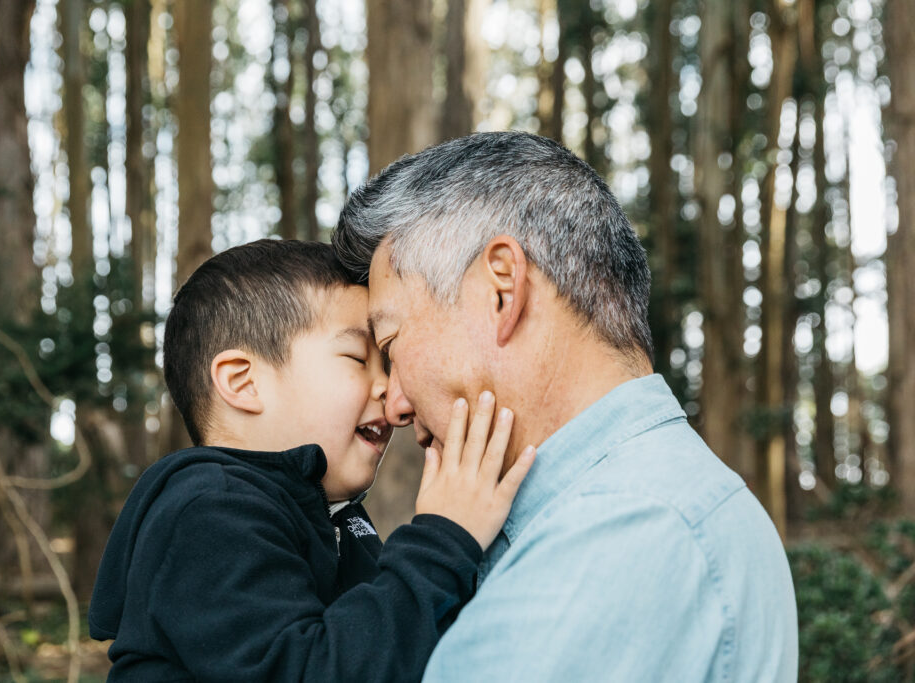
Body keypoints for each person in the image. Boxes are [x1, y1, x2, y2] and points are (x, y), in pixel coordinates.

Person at [332, 131, 799, 681]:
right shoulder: (644, 509)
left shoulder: (622, 536)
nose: (395, 407)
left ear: (501, 291)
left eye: (389, 346)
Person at [87, 239, 534, 682]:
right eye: (359, 358)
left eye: (388, 362)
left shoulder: (336, 518)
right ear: (243, 382)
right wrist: (443, 540)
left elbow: (391, 650)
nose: (391, 391)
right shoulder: (210, 511)